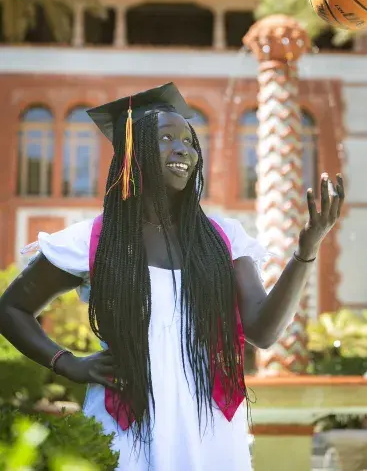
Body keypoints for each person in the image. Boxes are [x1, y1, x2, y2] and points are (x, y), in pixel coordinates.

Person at [0, 82, 344, 471]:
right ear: (134, 152)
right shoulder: (93, 240)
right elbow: (11, 308)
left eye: (189, 141)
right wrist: (67, 362)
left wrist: (306, 251)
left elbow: (263, 332)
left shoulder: (224, 238)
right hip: (126, 424)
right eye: (166, 138)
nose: (183, 149)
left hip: (211, 429)